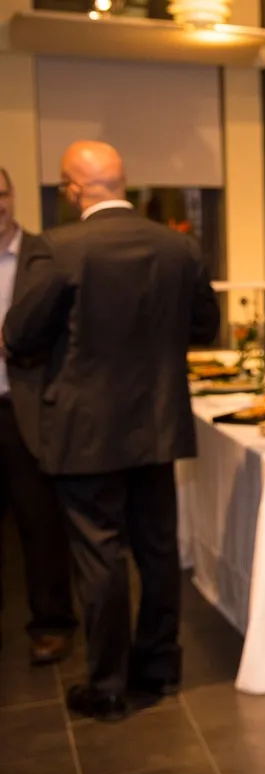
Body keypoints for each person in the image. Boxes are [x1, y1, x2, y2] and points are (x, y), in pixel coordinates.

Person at [3, 141, 221, 722]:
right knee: (155, 551)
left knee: (98, 557)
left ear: (73, 189)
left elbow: (18, 335)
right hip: (157, 425)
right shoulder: (179, 246)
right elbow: (204, 325)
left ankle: (107, 684)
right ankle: (160, 668)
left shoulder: (59, 247)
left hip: (83, 432)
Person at [0, 166, 76, 664]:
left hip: (23, 408)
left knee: (39, 522)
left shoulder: (45, 253)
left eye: (1, 193)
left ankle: (51, 622)